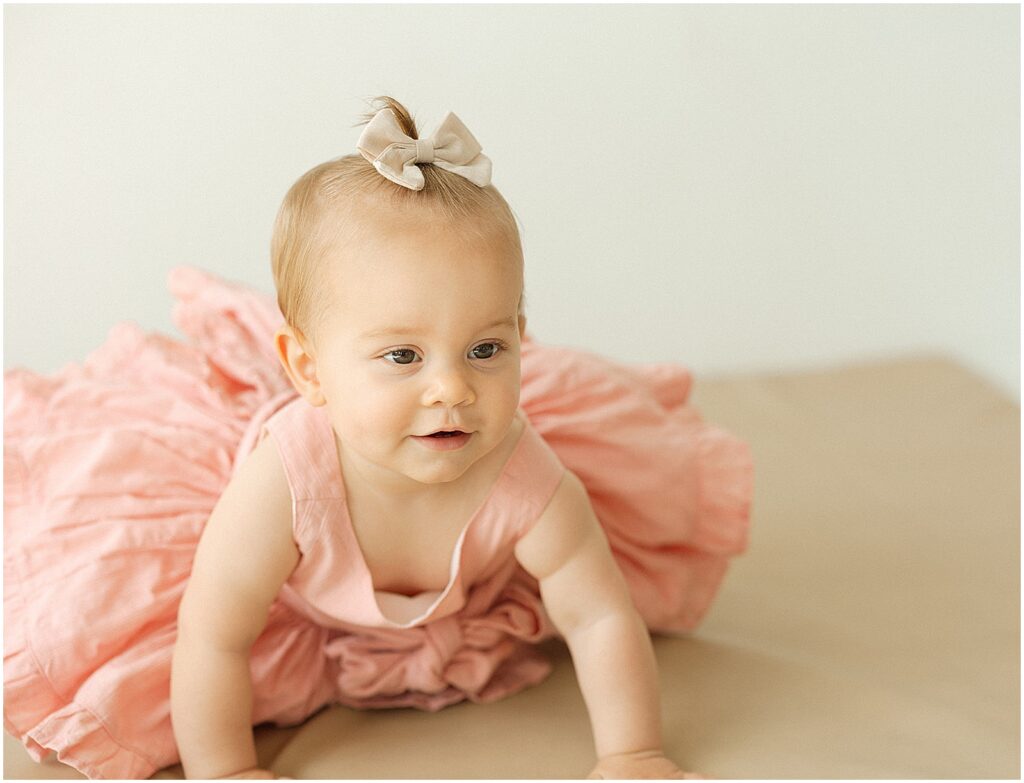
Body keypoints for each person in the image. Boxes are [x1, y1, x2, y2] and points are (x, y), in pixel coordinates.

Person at [3, 96, 753, 780]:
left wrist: (633, 752)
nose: (452, 388)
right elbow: (214, 635)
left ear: (524, 341)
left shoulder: (526, 476)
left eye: (486, 349)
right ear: (309, 369)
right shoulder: (284, 481)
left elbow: (598, 613)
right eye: (403, 355)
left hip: (452, 598)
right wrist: (226, 770)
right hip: (302, 602)